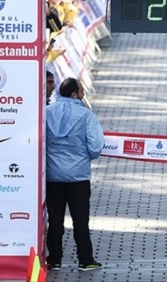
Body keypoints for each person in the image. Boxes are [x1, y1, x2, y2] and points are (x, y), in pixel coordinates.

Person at [45, 78, 104, 271]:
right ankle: (85, 260)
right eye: (81, 90)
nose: (84, 93)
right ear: (74, 94)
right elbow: (95, 147)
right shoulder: (86, 116)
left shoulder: (46, 113)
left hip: (53, 176)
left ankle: (54, 259)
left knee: (55, 220)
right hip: (78, 177)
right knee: (80, 220)